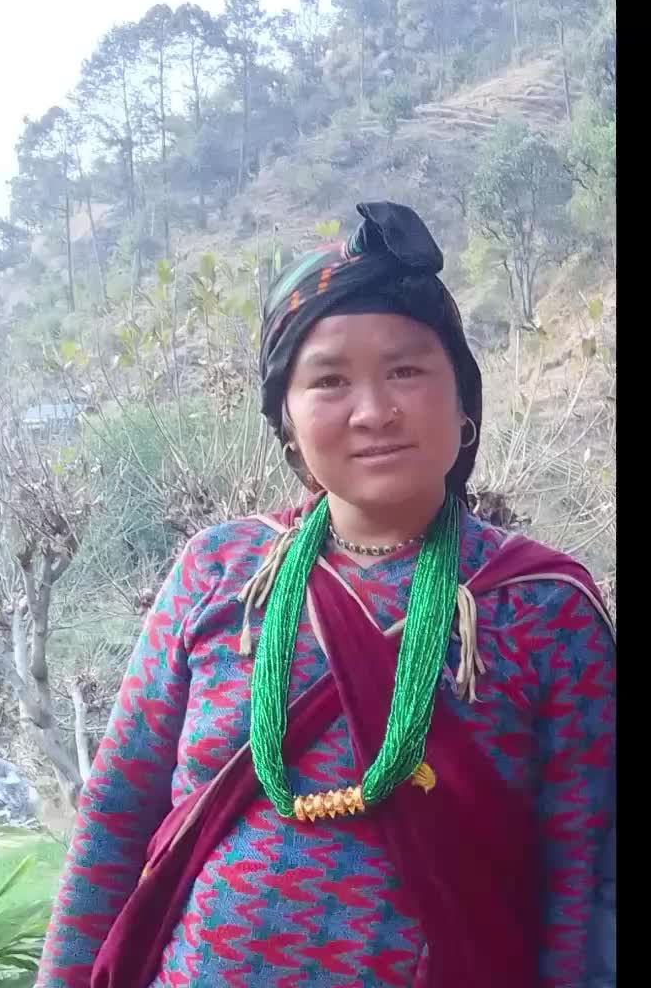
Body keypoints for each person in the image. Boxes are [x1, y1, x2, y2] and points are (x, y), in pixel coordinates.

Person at [38, 201, 615, 988]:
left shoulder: (542, 607)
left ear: (464, 402)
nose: (374, 411)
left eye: (406, 370)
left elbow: (582, 883)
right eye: (330, 380)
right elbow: (113, 820)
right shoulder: (219, 571)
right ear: (286, 420)